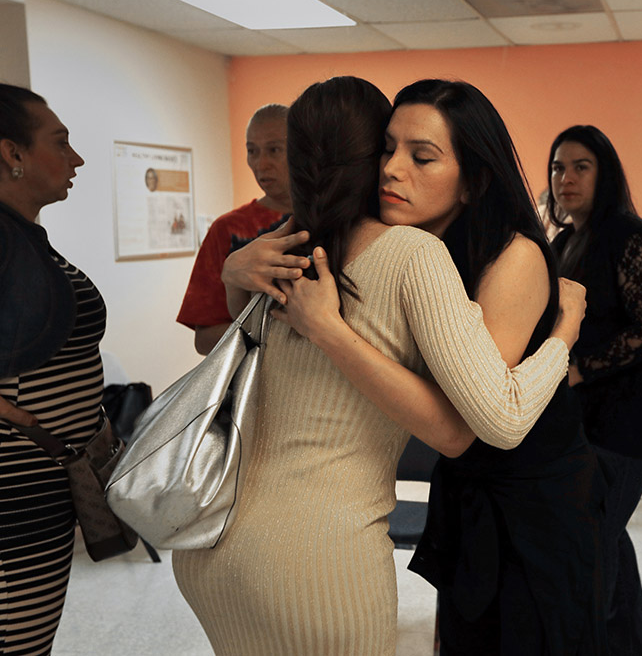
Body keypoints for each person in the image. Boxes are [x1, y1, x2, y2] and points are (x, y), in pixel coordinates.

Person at [171, 76, 588, 656]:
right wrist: (566, 332)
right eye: (385, 149)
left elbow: (483, 422)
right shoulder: (386, 249)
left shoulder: (318, 243)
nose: (392, 169)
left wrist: (262, 290)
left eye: (422, 157)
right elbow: (472, 425)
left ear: (474, 180)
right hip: (318, 547)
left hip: (216, 537)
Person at [547, 124, 642, 656]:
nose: (566, 178)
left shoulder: (630, 236)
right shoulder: (562, 241)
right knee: (605, 538)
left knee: (591, 545)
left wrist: (580, 368)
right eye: (558, 167)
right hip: (583, 417)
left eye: (581, 167)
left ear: (606, 174)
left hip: (627, 419)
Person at [0, 83, 94, 654]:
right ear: (12, 153)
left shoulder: (21, 238)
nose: (75, 159)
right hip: (12, 494)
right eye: (60, 143)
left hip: (40, 484)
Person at [176, 103, 291, 355]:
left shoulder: (331, 220)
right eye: (252, 151)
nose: (261, 164)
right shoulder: (226, 229)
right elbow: (204, 340)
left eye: (274, 150)